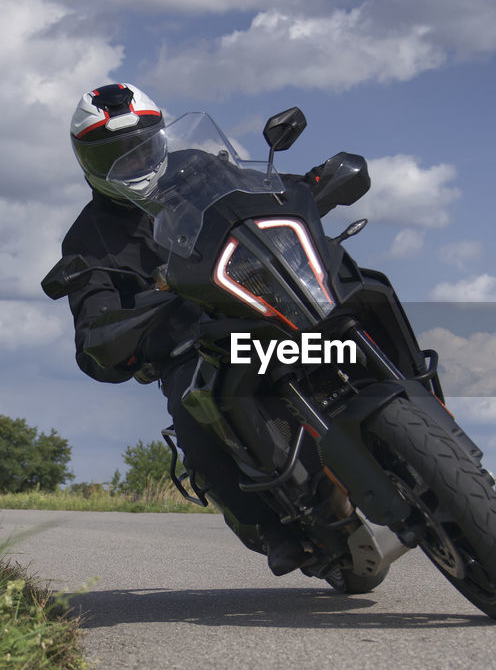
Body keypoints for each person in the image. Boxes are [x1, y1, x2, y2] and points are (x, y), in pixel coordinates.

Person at [61, 82, 310, 575]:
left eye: (140, 147)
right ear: (88, 161)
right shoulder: (89, 239)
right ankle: (269, 525)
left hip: (268, 309)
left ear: (159, 139)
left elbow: (262, 191)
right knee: (192, 413)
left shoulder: (199, 167)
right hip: (194, 350)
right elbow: (94, 315)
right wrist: (109, 332)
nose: (130, 162)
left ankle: (430, 425)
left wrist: (314, 185)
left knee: (351, 301)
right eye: (113, 154)